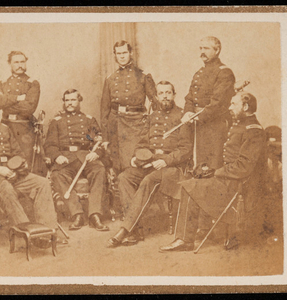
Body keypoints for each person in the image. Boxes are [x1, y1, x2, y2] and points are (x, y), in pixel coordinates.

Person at [159, 92, 267, 252]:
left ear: (245, 107)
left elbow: (243, 167)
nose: (230, 107)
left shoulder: (254, 130)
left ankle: (185, 240)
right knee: (190, 181)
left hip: (236, 184)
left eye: (234, 104)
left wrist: (215, 172)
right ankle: (187, 236)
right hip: (229, 178)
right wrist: (208, 169)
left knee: (189, 187)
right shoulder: (240, 125)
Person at [107, 81, 193, 247]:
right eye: (161, 93)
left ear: (174, 95)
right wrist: (136, 157)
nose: (165, 96)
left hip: (172, 168)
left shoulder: (182, 117)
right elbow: (142, 143)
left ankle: (126, 230)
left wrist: (166, 160)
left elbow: (186, 149)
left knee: (148, 181)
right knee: (124, 177)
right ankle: (136, 229)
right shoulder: (152, 117)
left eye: (168, 93)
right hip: (151, 163)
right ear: (157, 96)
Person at [0, 95, 58, 237]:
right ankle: (28, 233)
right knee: (5, 186)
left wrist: (17, 169)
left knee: (42, 182)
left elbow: (18, 153)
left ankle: (48, 232)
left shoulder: (5, 128)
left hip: (11, 173)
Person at [44, 89, 109, 231]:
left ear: (79, 101)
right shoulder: (57, 122)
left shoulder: (88, 120)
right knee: (57, 175)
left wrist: (96, 153)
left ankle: (94, 215)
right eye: (67, 100)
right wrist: (57, 156)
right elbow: (50, 145)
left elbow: (97, 140)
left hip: (85, 156)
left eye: (73, 100)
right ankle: (77, 214)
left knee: (99, 169)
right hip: (66, 158)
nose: (70, 103)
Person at [100, 40, 157, 174]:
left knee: (134, 164)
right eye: (118, 53)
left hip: (136, 126)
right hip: (115, 126)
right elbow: (104, 110)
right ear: (115, 56)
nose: (122, 56)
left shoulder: (143, 76)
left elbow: (155, 103)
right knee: (117, 165)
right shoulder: (110, 79)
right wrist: (105, 138)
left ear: (130, 53)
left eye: (125, 52)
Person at [181, 36, 236, 171]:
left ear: (217, 50)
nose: (202, 52)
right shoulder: (199, 73)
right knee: (198, 164)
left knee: (212, 165)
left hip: (215, 127)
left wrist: (198, 116)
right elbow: (190, 97)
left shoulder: (224, 72)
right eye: (201, 48)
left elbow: (218, 103)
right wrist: (188, 112)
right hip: (198, 124)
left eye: (206, 48)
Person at [0, 51, 47, 176]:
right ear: (10, 64)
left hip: (24, 129)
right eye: (16, 62)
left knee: (25, 163)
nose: (20, 65)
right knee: (5, 159)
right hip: (5, 126)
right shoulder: (2, 83)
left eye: (22, 62)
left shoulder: (32, 83)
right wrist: (18, 98)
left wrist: (7, 101)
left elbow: (29, 108)